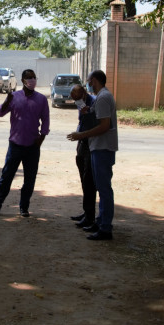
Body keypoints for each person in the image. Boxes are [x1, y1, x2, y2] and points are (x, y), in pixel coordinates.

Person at [0, 69, 50, 218]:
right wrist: (6, 101)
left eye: (34, 77)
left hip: (33, 146)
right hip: (15, 144)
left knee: (29, 179)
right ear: (23, 80)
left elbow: (45, 119)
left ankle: (24, 207)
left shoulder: (41, 99)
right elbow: (0, 113)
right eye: (29, 78)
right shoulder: (14, 97)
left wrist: (42, 137)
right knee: (6, 176)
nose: (32, 80)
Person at [67, 70, 118, 241]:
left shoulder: (103, 97)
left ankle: (105, 228)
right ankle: (100, 222)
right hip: (98, 147)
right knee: (101, 188)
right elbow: (98, 119)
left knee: (103, 190)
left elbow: (104, 126)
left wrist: (81, 135)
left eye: (90, 82)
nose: (89, 85)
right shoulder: (103, 97)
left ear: (95, 81)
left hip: (102, 148)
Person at [68, 84, 97, 228]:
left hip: (90, 145)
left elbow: (97, 125)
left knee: (89, 182)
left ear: (84, 94)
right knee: (84, 181)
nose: (76, 102)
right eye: (74, 100)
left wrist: (88, 113)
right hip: (82, 144)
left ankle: (90, 216)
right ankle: (86, 212)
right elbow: (82, 123)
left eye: (78, 99)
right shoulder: (82, 104)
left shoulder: (94, 103)